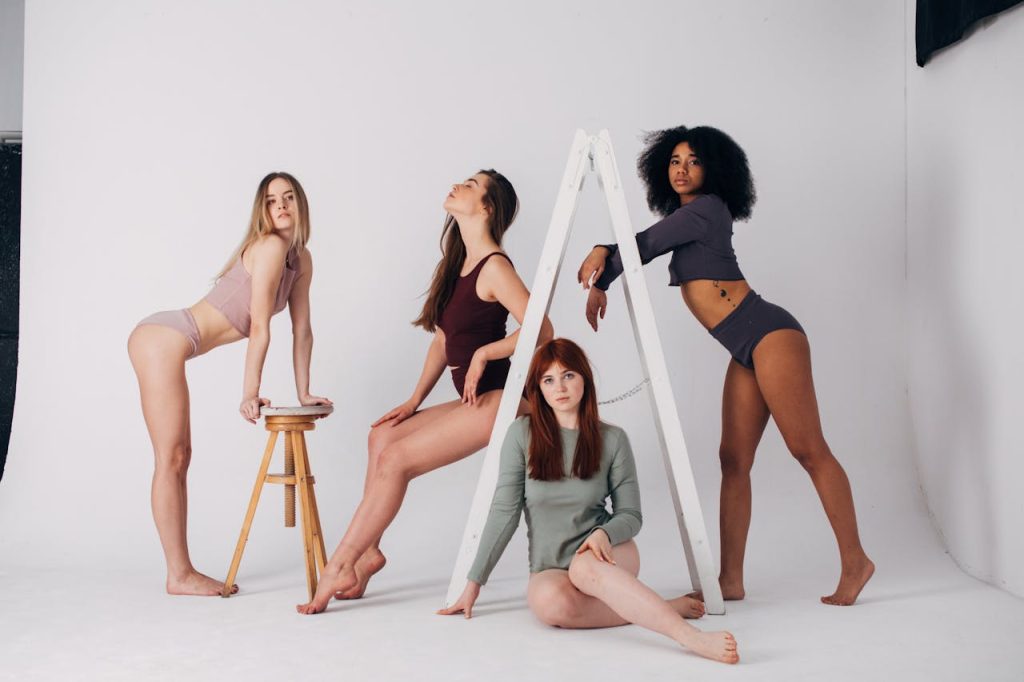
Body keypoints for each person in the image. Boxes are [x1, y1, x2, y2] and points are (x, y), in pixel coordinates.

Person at [576, 126, 873, 606]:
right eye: (674, 161)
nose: (681, 169)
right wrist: (603, 272)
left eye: (693, 161)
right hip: (745, 348)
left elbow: (645, 246)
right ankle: (729, 579)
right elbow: (645, 246)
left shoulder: (707, 210)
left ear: (713, 169)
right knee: (733, 461)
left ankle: (856, 561)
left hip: (771, 333)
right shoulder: (689, 216)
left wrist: (601, 260)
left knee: (808, 450)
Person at [297, 169, 553, 614]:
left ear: (487, 208)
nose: (458, 185)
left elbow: (542, 330)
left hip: (502, 404)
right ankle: (371, 551)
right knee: (382, 437)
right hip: (474, 400)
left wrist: (485, 354)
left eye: (471, 185)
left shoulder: (494, 266)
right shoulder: (460, 266)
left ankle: (342, 562)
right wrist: (414, 401)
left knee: (396, 461)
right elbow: (441, 340)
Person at [440, 338, 738, 664]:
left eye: (568, 375)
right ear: (538, 389)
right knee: (550, 606)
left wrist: (604, 534)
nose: (560, 387)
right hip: (550, 565)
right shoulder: (521, 434)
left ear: (584, 378)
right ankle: (662, 608)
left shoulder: (612, 439)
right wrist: (473, 585)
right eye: (548, 380)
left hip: (606, 552)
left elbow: (630, 514)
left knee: (584, 569)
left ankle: (689, 638)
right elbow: (504, 512)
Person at [128, 172, 331, 596]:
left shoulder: (301, 259)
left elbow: (303, 329)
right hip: (163, 338)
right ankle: (178, 574)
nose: (281, 206)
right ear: (262, 209)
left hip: (173, 341)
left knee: (179, 457)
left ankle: (180, 572)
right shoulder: (270, 247)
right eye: (272, 199)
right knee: (172, 458)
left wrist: (304, 392)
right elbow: (260, 327)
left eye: (289, 197)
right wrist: (248, 393)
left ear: (301, 204)